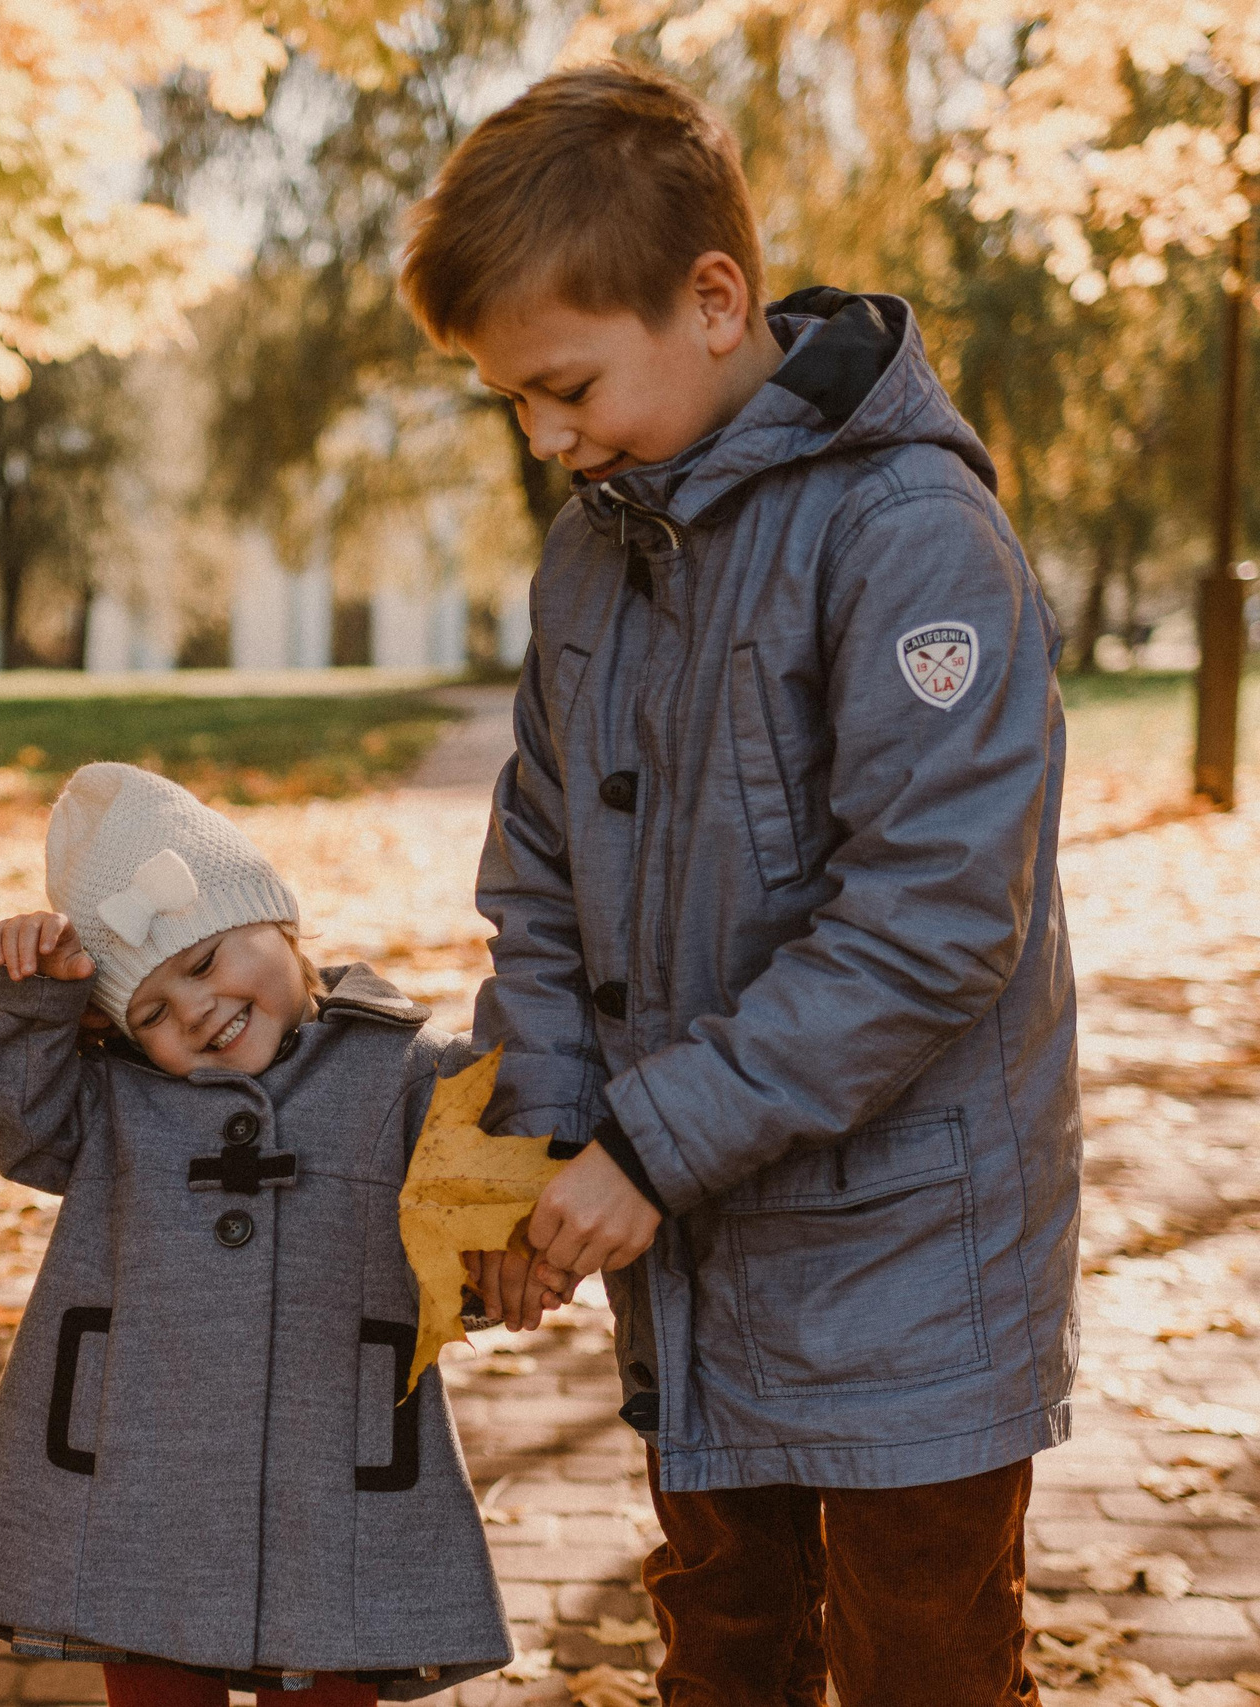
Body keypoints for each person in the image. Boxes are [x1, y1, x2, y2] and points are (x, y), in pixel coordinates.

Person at [400, 60, 1080, 1705]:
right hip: (699, 1269)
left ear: (714, 300)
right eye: (514, 401)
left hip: (916, 1276)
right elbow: (546, 876)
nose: (547, 435)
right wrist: (540, 1144)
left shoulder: (911, 535)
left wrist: (649, 1144)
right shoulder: (599, 548)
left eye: (566, 384)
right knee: (724, 1641)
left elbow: (930, 928)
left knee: (924, 1656)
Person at [0, 763, 514, 1706]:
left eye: (205, 962)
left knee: (328, 1673)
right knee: (153, 1677)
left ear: (280, 921)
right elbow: (9, 1123)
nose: (193, 1008)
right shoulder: (117, 1101)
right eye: (149, 1011)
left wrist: (496, 1266)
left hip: (334, 1466)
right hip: (137, 1473)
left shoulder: (402, 1071)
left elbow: (483, 1204)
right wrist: (28, 996)